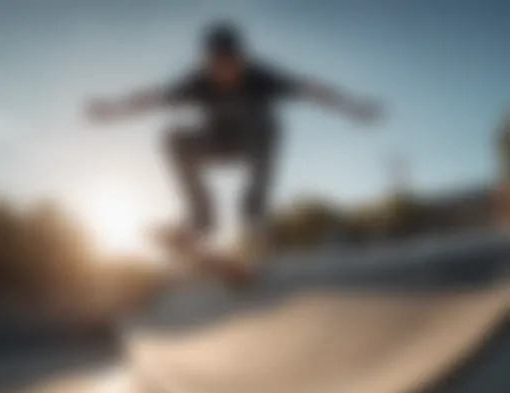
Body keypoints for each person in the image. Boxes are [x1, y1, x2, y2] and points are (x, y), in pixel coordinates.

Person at [87, 21, 384, 255]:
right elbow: (153, 98)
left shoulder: (262, 77)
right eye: (218, 66)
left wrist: (354, 107)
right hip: (217, 145)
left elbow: (312, 89)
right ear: (207, 63)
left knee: (270, 125)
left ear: (242, 59)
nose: (226, 73)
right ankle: (201, 218)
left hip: (255, 143)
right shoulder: (196, 82)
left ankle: (253, 215)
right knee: (172, 138)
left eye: (231, 64)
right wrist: (112, 109)